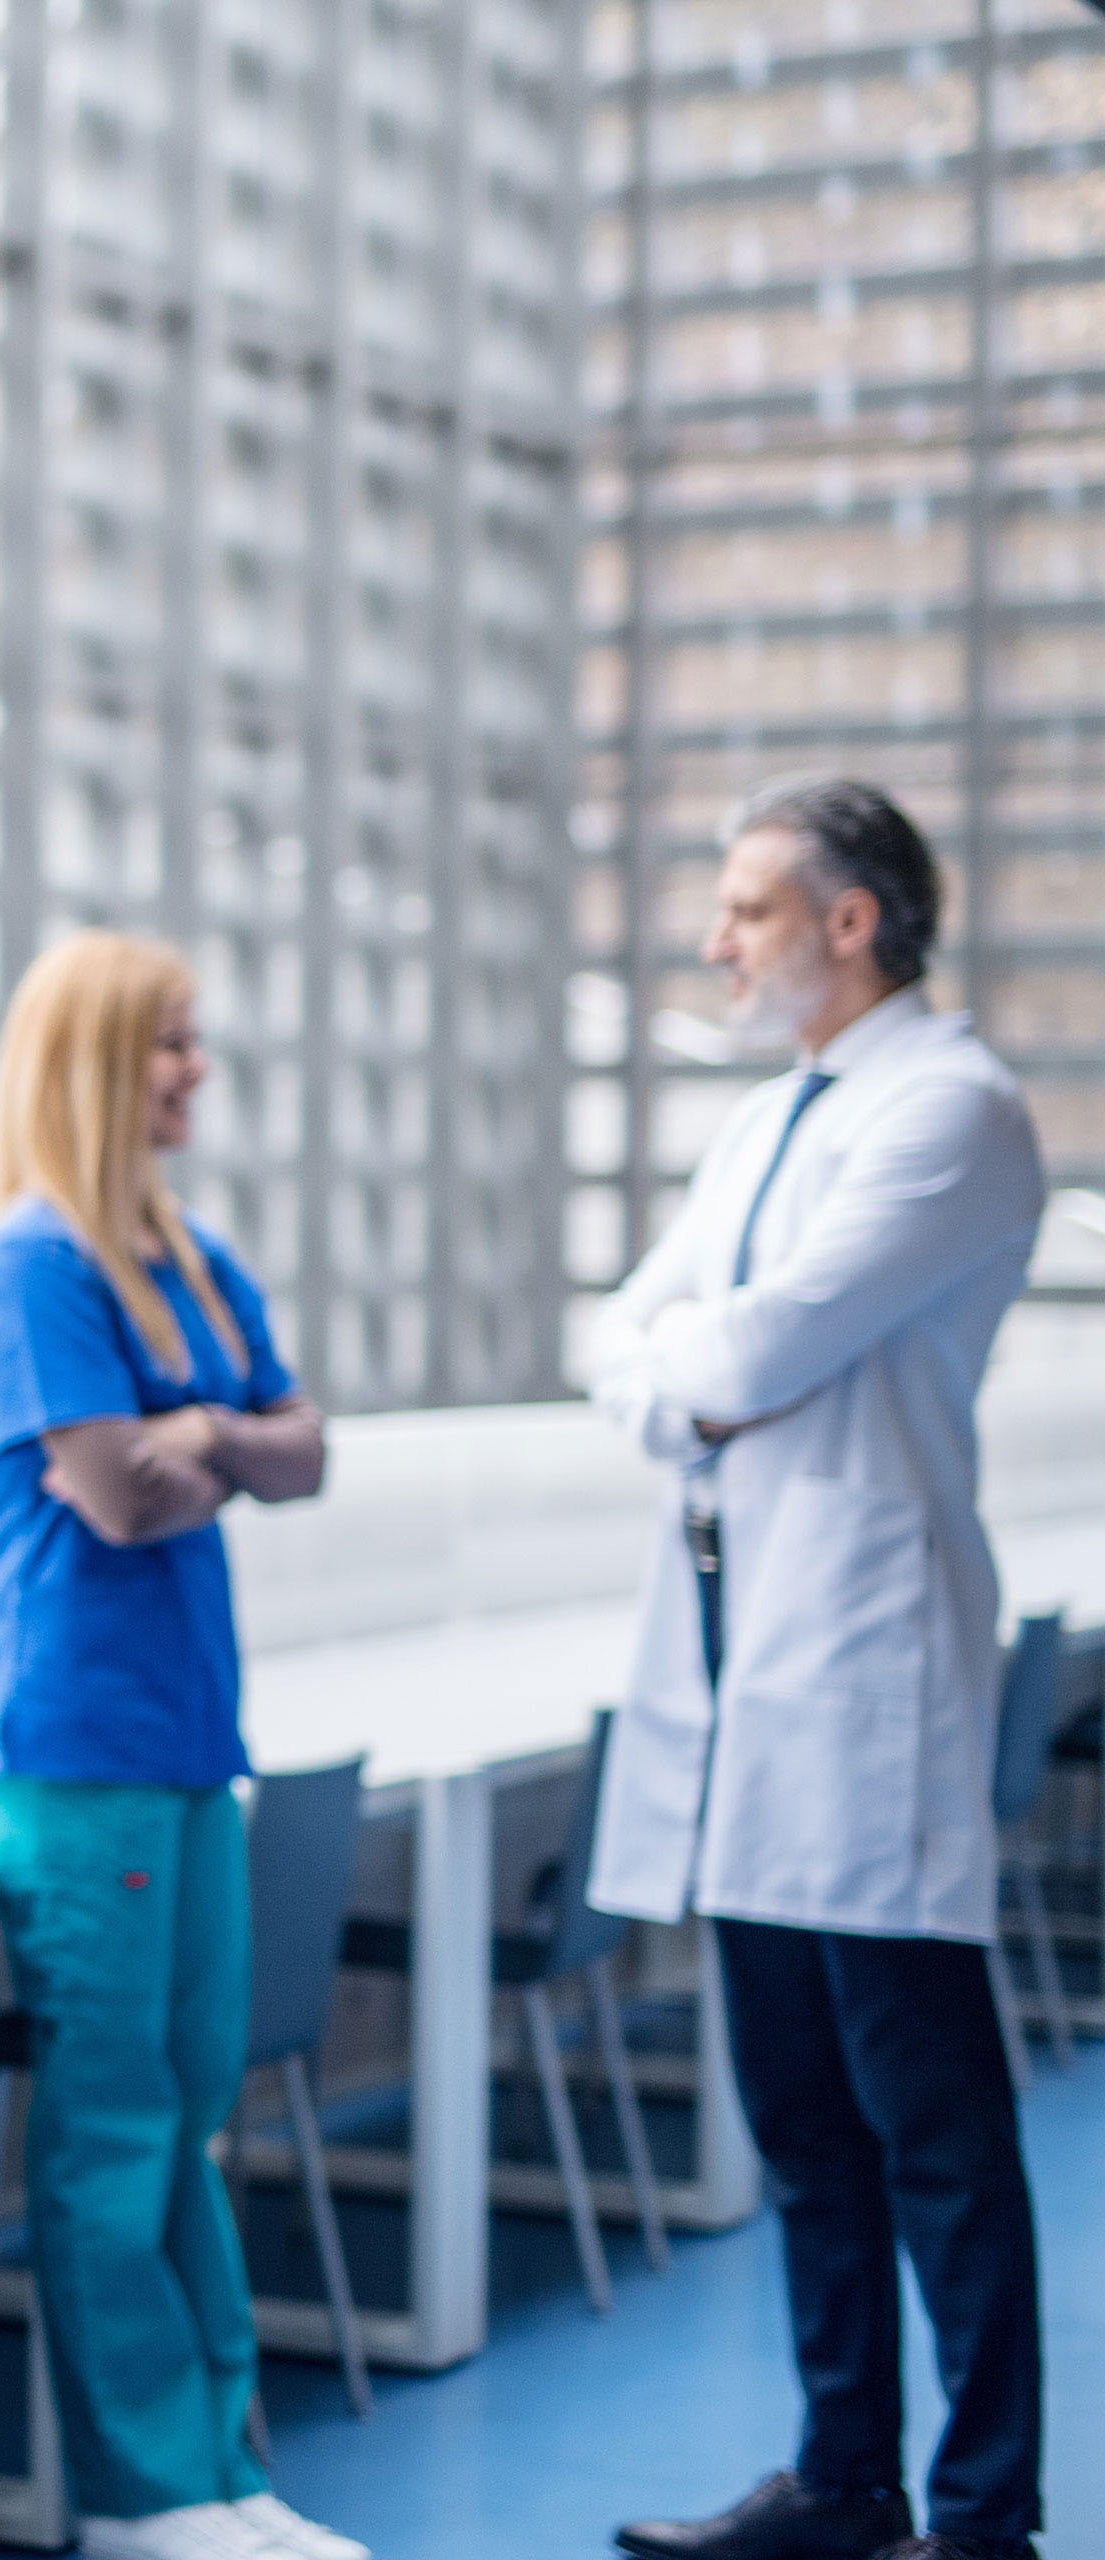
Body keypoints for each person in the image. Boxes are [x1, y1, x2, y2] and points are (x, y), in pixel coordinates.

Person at [591, 778, 1046, 2560]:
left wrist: (695, 1376)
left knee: (929, 2117)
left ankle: (986, 2512)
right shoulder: (777, 1120)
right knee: (797, 2111)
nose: (719, 942)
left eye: (749, 910)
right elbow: (632, 1340)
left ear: (853, 921)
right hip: (735, 1672)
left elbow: (748, 1351)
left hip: (861, 1670)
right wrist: (691, 1377)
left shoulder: (957, 1112)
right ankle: (845, 2475)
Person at [0, 932, 350, 2560]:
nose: (195, 1072)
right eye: (172, 1046)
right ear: (101, 1062)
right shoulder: (30, 1266)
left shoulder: (180, 1255)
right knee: (112, 2126)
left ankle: (223, 2470)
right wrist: (206, 1443)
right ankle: (141, 2494)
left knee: (190, 2106)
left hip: (189, 1745)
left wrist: (194, 1438)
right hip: (75, 1749)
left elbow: (309, 1451)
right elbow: (115, 1495)